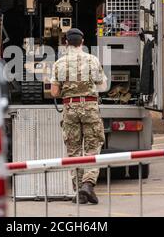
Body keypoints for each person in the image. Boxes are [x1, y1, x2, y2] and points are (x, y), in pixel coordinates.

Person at [50, 28, 108, 204]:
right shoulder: (92, 60)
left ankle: (79, 191)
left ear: (66, 42)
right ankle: (88, 184)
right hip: (90, 106)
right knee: (93, 146)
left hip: (70, 108)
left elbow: (54, 92)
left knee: (73, 150)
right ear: (82, 42)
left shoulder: (59, 64)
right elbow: (103, 86)